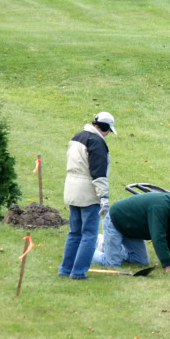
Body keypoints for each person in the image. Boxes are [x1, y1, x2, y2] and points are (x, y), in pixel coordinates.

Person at [59, 111, 115, 279]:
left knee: (74, 233)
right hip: (88, 194)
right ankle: (78, 272)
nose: (108, 134)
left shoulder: (77, 137)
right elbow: (98, 174)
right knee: (89, 234)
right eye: (109, 131)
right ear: (105, 128)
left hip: (71, 190)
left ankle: (65, 269)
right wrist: (104, 197)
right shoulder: (97, 142)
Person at [92, 191, 170, 273]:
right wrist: (167, 265)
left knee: (141, 261)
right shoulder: (161, 207)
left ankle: (106, 245)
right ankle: (86, 249)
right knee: (112, 263)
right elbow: (158, 237)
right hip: (115, 222)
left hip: (132, 229)